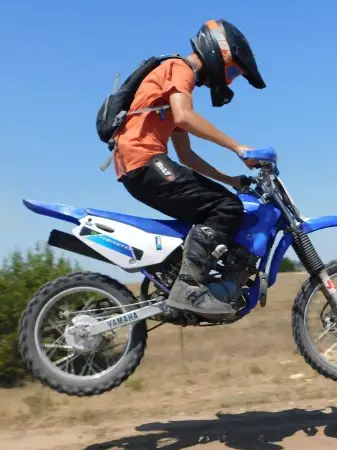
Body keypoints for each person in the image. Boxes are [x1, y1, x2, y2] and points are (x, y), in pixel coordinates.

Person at [111, 19, 266, 319]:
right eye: (233, 71)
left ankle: (182, 281)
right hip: (142, 160)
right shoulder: (179, 69)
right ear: (217, 52)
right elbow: (185, 117)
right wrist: (238, 148)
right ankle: (189, 288)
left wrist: (230, 179)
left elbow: (187, 156)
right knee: (226, 207)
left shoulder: (170, 94)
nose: (230, 81)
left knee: (221, 200)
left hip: (139, 164)